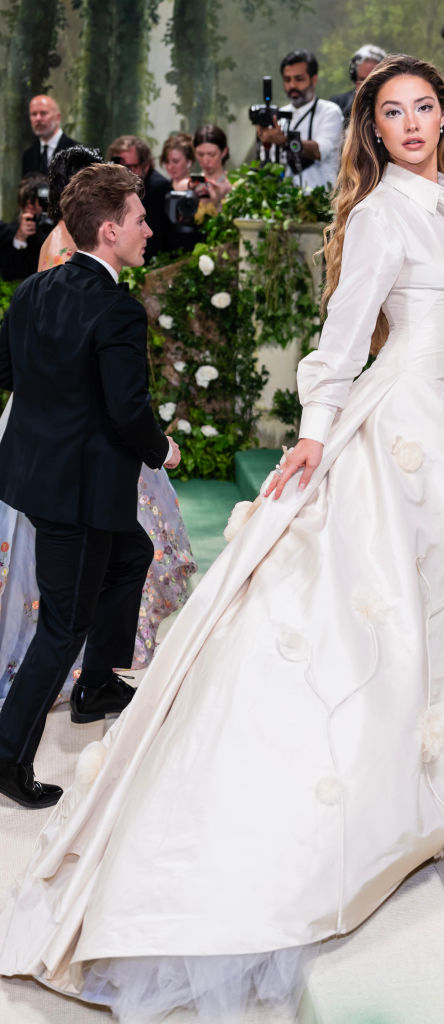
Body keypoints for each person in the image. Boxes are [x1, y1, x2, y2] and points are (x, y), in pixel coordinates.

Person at [0, 55, 444, 1017]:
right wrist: (316, 433)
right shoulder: (385, 211)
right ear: (370, 127)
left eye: (422, 108)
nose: (410, 123)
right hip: (396, 423)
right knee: (383, 592)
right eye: (389, 112)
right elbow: (347, 331)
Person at [0, 163, 181, 810]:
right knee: (62, 625)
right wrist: (163, 449)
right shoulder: (117, 309)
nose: (149, 228)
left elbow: (7, 370)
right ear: (109, 231)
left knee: (131, 553)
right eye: (139, 219)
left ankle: (98, 684)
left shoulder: (32, 291)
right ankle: (6, 755)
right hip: (77, 494)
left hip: (42, 479)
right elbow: (128, 409)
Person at [256, 49, 344, 191]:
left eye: (299, 79)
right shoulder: (279, 114)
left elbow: (319, 151)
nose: (292, 86)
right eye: (287, 80)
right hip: (283, 204)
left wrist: (284, 141)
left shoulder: (329, 112)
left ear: (313, 79)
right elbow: (268, 163)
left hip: (320, 205)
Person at [106, 135, 171, 261]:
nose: (123, 172)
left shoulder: (158, 188)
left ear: (145, 166)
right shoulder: (115, 186)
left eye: (130, 167)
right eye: (118, 166)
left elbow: (154, 238)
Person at [0, 174, 49, 280]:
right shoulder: (8, 232)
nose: (32, 208)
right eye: (28, 203)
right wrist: (20, 239)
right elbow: (10, 275)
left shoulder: (53, 230)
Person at [21, 95, 79, 176]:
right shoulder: (28, 155)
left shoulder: (78, 153)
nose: (38, 118)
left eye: (43, 113)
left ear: (57, 118)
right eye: (34, 114)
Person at [330, 43, 387, 126]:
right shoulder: (337, 105)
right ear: (355, 79)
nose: (367, 86)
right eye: (362, 80)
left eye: (373, 79)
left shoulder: (395, 108)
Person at [192, 124, 232, 217]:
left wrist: (218, 201)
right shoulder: (192, 183)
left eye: (211, 154)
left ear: (224, 152)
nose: (205, 161)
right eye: (200, 154)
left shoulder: (233, 185)